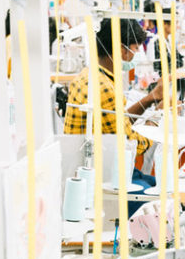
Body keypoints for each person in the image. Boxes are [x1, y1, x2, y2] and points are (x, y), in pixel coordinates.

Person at [64, 18, 159, 156]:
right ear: (121, 49)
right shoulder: (104, 88)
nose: (137, 53)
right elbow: (134, 145)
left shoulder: (88, 75)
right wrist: (156, 119)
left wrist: (150, 98)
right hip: (100, 170)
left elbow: (117, 123)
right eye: (136, 48)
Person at [143, 1, 185, 73]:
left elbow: (179, 59)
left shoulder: (168, 40)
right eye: (175, 22)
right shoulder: (156, 43)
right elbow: (161, 68)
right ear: (164, 23)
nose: (177, 26)